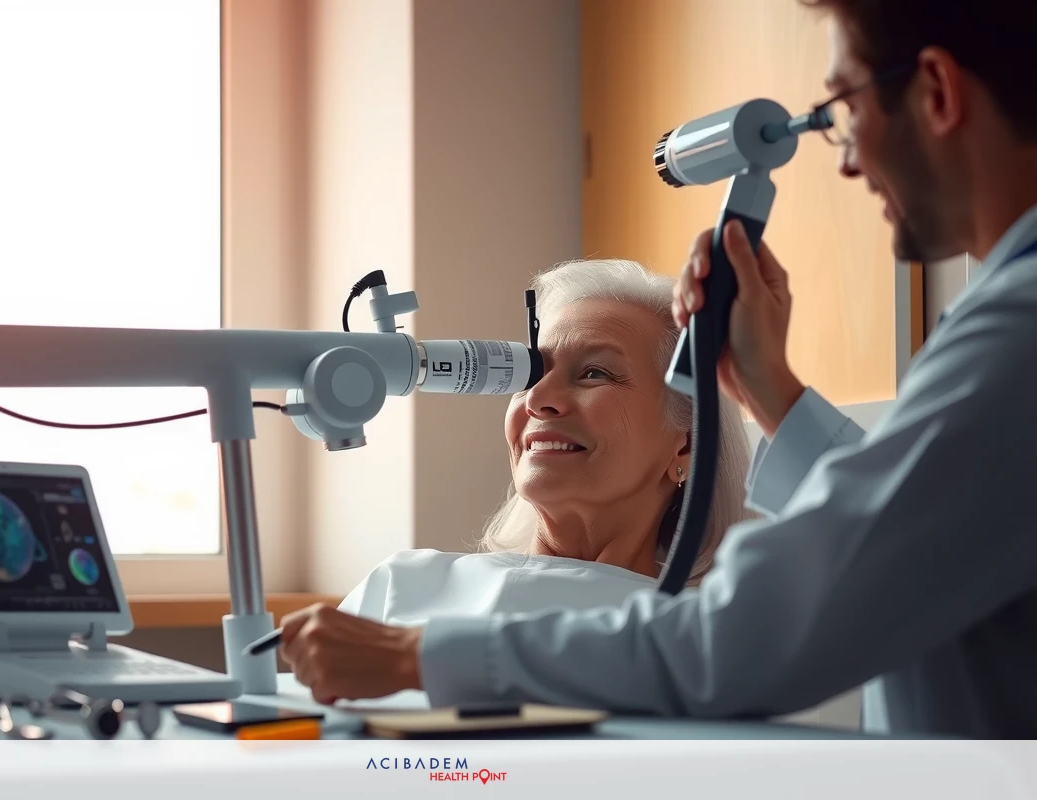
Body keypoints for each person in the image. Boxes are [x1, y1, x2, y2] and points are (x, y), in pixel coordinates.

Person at [277, 0, 1037, 738]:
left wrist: (420, 654)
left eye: (842, 107)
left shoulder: (1017, 334)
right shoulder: (1002, 327)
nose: (842, 157)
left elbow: (759, 635)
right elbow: (898, 542)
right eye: (539, 372)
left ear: (936, 91)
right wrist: (770, 390)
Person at [338, 259, 751, 626]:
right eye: (530, 374)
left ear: (685, 447)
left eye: (595, 373)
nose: (536, 399)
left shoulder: (701, 633)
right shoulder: (401, 585)